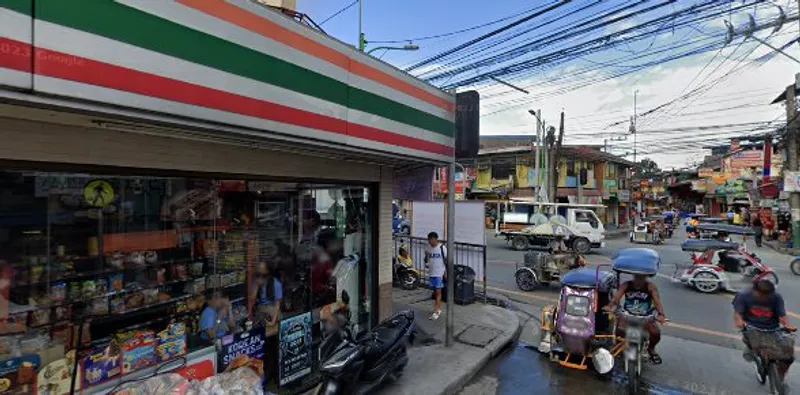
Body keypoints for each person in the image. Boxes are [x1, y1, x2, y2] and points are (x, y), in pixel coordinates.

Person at [733, 280, 796, 383]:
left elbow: (782, 316)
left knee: (788, 357)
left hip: (772, 328)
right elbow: (738, 314)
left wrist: (788, 325)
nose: (765, 298)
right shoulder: (743, 296)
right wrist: (739, 322)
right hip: (752, 328)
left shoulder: (776, 297)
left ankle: (780, 378)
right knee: (755, 346)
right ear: (754, 290)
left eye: (768, 295)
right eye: (761, 294)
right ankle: (752, 352)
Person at [605, 274, 668, 364]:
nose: (639, 279)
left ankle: (651, 349)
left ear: (645, 277)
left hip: (645, 316)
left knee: (655, 332)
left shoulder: (650, 287)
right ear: (634, 276)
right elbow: (616, 299)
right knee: (619, 330)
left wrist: (661, 315)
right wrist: (610, 306)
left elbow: (657, 303)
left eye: (641, 277)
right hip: (627, 314)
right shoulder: (626, 285)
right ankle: (619, 347)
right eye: (637, 276)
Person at [252, 262, 283, 327]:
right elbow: (253, 299)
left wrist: (272, 322)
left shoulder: (276, 284)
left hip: (272, 311)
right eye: (258, 273)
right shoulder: (258, 282)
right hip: (261, 309)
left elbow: (277, 306)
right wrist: (256, 285)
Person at [424, 231, 446, 320]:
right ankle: (437, 308)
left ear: (435, 239)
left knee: (438, 292)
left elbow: (446, 260)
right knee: (435, 292)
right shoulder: (428, 248)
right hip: (431, 272)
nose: (429, 242)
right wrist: (426, 256)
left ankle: (437, 310)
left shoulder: (442, 248)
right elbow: (426, 260)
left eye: (430, 240)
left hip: (439, 273)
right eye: (428, 240)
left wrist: (446, 272)